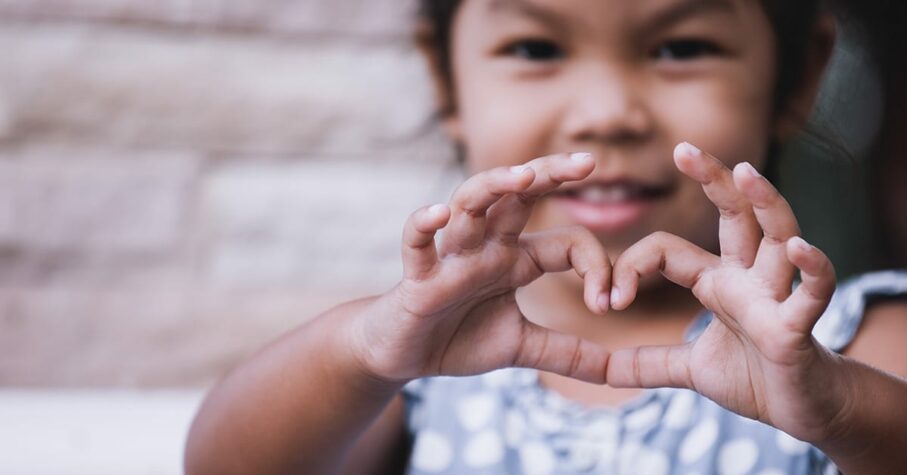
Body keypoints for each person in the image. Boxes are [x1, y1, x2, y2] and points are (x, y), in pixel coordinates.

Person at [184, 0, 907, 473]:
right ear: (444, 78)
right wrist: (366, 352)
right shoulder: (412, 368)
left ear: (798, 76)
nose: (606, 112)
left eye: (680, 46)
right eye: (534, 47)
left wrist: (837, 406)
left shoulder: (842, 346)